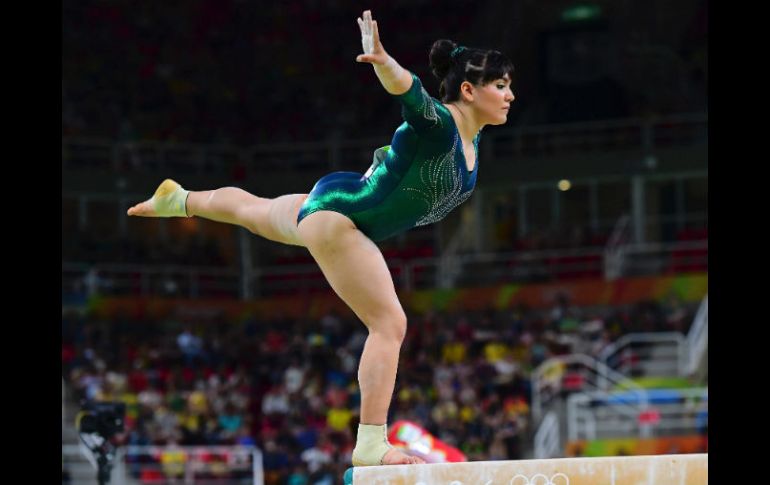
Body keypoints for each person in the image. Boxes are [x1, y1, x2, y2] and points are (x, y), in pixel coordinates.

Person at [128, 9, 515, 466]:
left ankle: (180, 199)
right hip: (342, 218)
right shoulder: (441, 126)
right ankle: (371, 443)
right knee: (389, 324)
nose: (510, 95)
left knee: (254, 211)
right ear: (468, 90)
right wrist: (385, 63)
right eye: (500, 85)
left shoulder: (472, 143)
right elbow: (411, 93)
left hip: (337, 205)